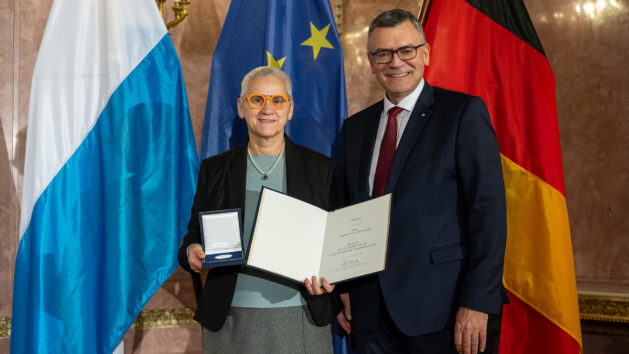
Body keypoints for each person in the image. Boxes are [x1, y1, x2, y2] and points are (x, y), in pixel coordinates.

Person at [307, 9, 507, 354]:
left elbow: (487, 214)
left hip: (445, 312)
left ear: (425, 53)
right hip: (369, 315)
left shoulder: (462, 114)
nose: (395, 62)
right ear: (371, 62)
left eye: (406, 51)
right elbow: (342, 210)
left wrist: (478, 301)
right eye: (382, 53)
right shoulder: (355, 129)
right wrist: (342, 284)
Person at [178, 66, 339, 354]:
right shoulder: (215, 170)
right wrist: (191, 251)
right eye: (257, 100)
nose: (267, 109)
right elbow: (192, 236)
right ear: (241, 107)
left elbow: (335, 242)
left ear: (289, 109)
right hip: (231, 317)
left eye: (277, 101)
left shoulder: (320, 168)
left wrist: (332, 273)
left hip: (301, 314)